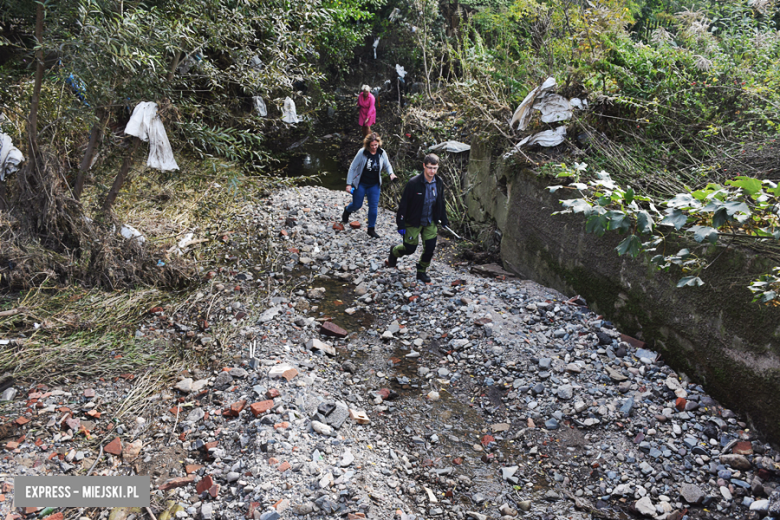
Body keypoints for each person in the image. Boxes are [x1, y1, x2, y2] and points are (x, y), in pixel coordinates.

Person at [386, 153, 448, 283]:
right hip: (413, 221)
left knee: (430, 248)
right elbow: (404, 205)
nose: (432, 171)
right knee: (409, 248)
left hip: (430, 220)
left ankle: (421, 270)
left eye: (435, 168)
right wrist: (401, 224)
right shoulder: (413, 183)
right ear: (424, 166)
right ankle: (394, 251)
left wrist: (443, 218)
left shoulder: (439, 182)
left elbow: (441, 201)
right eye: (430, 168)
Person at [342, 133, 397, 238]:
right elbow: (352, 167)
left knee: (373, 207)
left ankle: (371, 229)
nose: (374, 147)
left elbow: (387, 164)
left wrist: (391, 174)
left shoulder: (381, 152)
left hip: (374, 185)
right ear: (368, 145)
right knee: (357, 205)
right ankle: (347, 210)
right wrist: (349, 184)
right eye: (372, 145)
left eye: (376, 145)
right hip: (361, 184)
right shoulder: (362, 152)